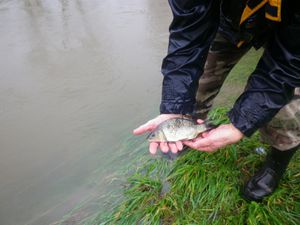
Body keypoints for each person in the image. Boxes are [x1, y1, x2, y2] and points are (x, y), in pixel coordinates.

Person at [133, 0, 300, 202]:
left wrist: (241, 123)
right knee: (197, 86)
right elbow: (188, 35)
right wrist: (174, 106)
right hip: (230, 22)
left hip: (294, 41)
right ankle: (192, 133)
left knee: (288, 105)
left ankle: (277, 160)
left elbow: (287, 66)